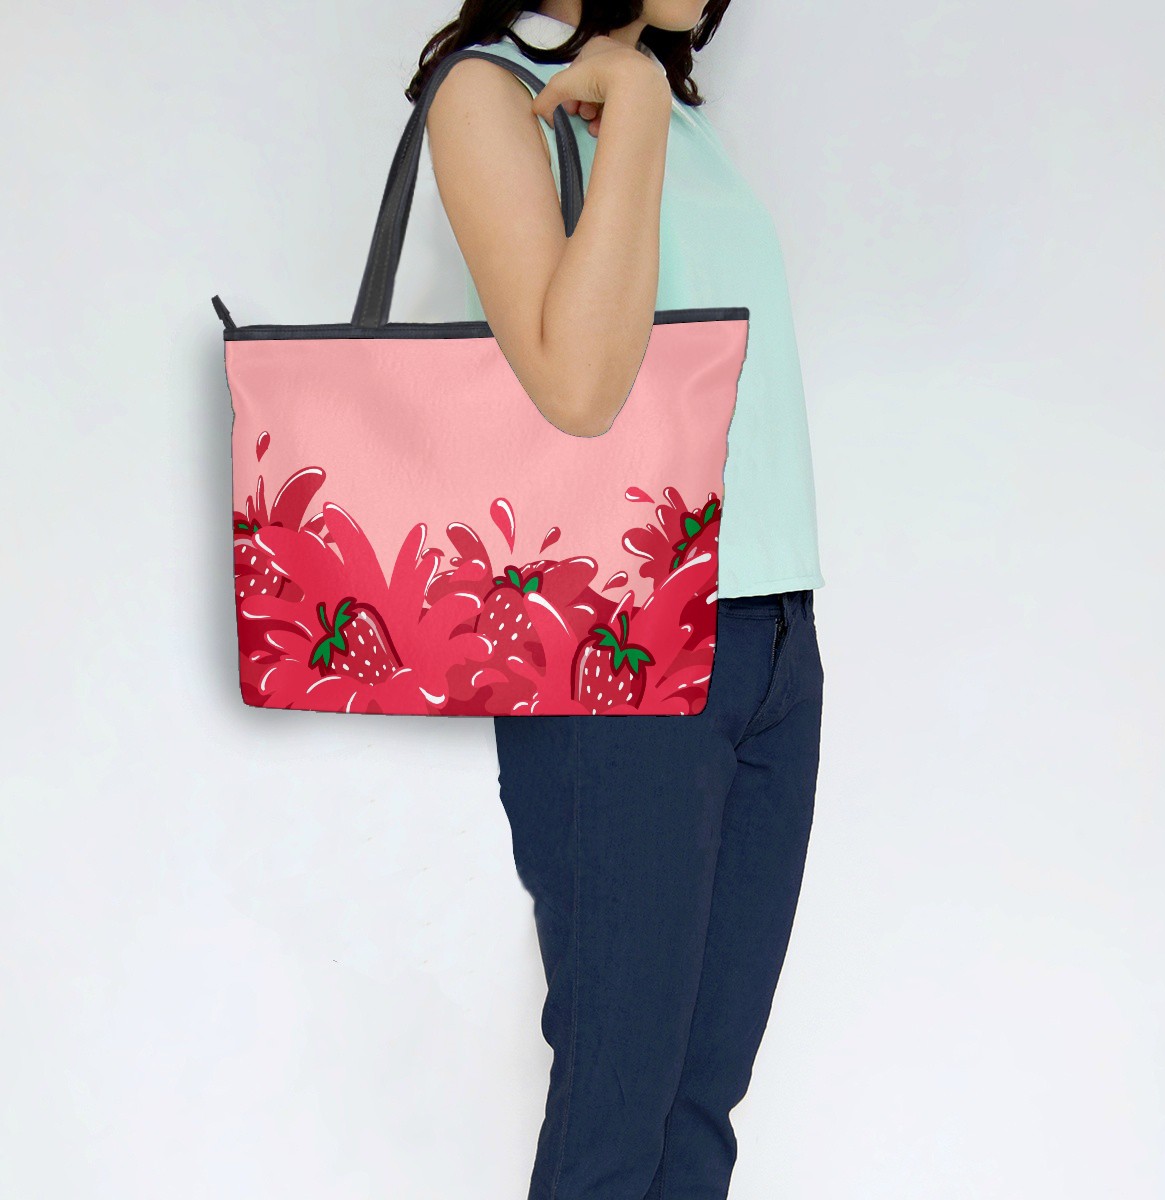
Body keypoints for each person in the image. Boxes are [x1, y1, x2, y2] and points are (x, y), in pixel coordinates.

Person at [418, 3, 825, 1196]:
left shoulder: (669, 104)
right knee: (616, 1111)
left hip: (773, 635)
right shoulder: (488, 92)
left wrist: (646, 95)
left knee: (699, 1107)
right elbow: (580, 386)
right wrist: (633, 110)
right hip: (623, 647)